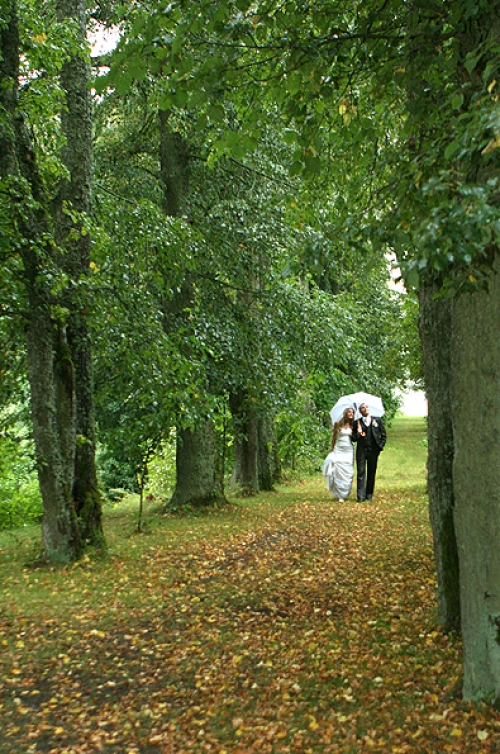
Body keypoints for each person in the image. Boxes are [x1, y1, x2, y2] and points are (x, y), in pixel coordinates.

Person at [352, 402, 386, 501]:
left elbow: (383, 435)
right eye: (363, 408)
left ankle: (369, 494)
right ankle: (360, 496)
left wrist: (380, 446)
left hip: (373, 450)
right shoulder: (356, 423)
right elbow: (353, 438)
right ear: (360, 411)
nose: (365, 409)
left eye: (366, 407)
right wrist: (358, 433)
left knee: (371, 472)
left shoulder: (377, 420)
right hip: (362, 450)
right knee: (361, 472)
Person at [322, 407, 355, 502]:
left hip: (348, 450)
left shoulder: (354, 425)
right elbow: (333, 438)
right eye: (349, 412)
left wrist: (360, 430)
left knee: (348, 471)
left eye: (352, 412)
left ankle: (345, 492)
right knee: (338, 470)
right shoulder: (338, 424)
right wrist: (332, 449)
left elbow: (357, 437)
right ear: (345, 413)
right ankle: (340, 494)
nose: (351, 413)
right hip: (339, 449)